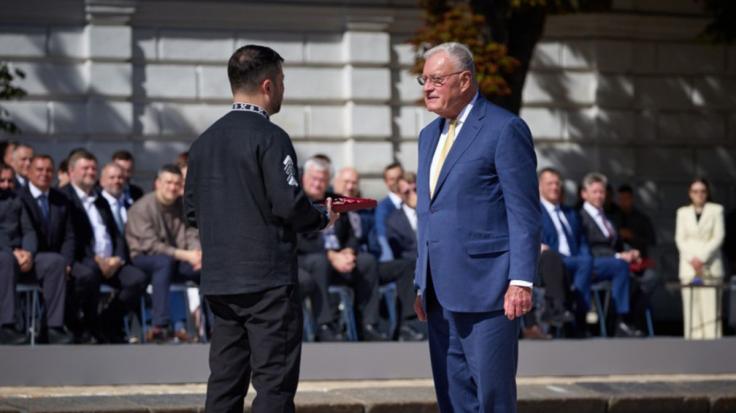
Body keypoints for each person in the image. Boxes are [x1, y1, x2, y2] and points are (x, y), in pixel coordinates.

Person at [184, 45, 337, 412]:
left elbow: (191, 211)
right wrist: (321, 217)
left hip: (220, 279)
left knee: (224, 382)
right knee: (274, 384)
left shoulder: (203, 143)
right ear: (267, 85)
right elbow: (288, 203)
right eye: (282, 81)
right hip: (267, 281)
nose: (283, 88)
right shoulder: (271, 137)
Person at [413, 42, 540, 412]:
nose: (427, 87)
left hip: (489, 289)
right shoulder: (428, 137)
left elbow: (524, 212)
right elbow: (429, 213)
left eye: (437, 79)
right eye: (424, 79)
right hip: (438, 291)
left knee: (492, 397)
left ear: (465, 80)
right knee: (452, 398)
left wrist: (521, 280)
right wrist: (421, 280)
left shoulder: (504, 129)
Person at [62, 150, 148, 343]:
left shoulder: (100, 199)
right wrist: (96, 259)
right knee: (88, 275)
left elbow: (116, 234)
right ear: (71, 171)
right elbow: (71, 236)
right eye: (85, 168)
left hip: (111, 262)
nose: (90, 172)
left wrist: (117, 259)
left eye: (93, 168)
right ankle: (84, 325)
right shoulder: (64, 197)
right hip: (85, 260)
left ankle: (107, 321)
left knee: (137, 279)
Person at [297, 158, 385, 342]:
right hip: (308, 259)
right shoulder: (297, 201)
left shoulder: (334, 199)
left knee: (367, 261)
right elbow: (300, 240)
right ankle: (324, 324)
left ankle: (369, 324)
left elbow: (351, 234)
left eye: (322, 179)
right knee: (320, 263)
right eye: (314, 178)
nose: (318, 183)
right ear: (304, 178)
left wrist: (349, 252)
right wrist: (331, 256)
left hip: (339, 257)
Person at [126, 164, 202, 342]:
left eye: (177, 183)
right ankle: (159, 325)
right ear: (157, 183)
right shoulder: (142, 208)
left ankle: (219, 323)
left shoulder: (182, 206)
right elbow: (150, 245)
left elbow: (191, 232)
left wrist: (197, 254)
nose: (173, 187)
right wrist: (186, 255)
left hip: (176, 259)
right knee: (163, 262)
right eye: (168, 182)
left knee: (206, 269)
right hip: (144, 258)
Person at [15, 156, 74, 344]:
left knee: (59, 263)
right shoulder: (18, 197)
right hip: (23, 258)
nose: (44, 174)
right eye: (39, 170)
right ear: (28, 172)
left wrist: (67, 262)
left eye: (48, 170)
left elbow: (69, 236)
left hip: (50, 261)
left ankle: (53, 327)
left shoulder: (61, 199)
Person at [578, 173, 642, 337]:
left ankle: (619, 321)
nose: (599, 196)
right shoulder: (580, 218)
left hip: (614, 263)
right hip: (593, 263)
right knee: (621, 267)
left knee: (642, 279)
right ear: (584, 194)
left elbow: (616, 243)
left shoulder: (607, 218)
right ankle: (621, 320)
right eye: (595, 192)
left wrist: (630, 251)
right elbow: (587, 246)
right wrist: (618, 257)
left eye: (602, 192)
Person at [675, 178, 725, 339]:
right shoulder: (682, 212)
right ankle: (692, 345)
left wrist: (702, 258)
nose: (699, 195)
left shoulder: (716, 210)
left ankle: (713, 346)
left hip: (710, 266)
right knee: (692, 310)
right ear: (690, 193)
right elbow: (680, 239)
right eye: (695, 191)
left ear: (707, 193)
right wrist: (692, 259)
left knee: (711, 309)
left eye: (703, 191)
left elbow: (718, 237)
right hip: (689, 267)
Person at [612, 184, 660, 331]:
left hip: (640, 263)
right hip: (619, 263)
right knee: (628, 282)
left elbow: (651, 240)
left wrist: (633, 237)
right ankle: (623, 319)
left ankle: (636, 315)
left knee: (651, 278)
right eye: (621, 199)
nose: (624, 202)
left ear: (632, 199)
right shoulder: (613, 218)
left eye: (627, 198)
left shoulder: (641, 218)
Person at [374, 162, 404, 261]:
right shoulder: (383, 207)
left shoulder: (415, 202)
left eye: (399, 177)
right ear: (386, 182)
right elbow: (382, 234)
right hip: (397, 258)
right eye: (392, 179)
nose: (396, 181)